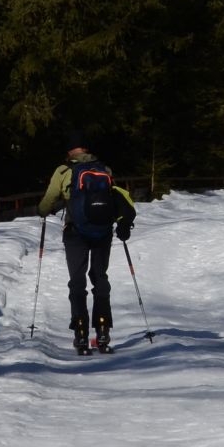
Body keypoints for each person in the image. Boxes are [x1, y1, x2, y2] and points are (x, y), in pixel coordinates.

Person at [37, 135, 136, 356]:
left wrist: (42, 210)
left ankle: (81, 333)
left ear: (70, 150)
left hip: (75, 232)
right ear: (86, 148)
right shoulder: (104, 169)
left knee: (77, 280)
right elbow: (116, 197)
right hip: (103, 231)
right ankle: (102, 331)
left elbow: (50, 198)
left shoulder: (63, 171)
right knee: (100, 277)